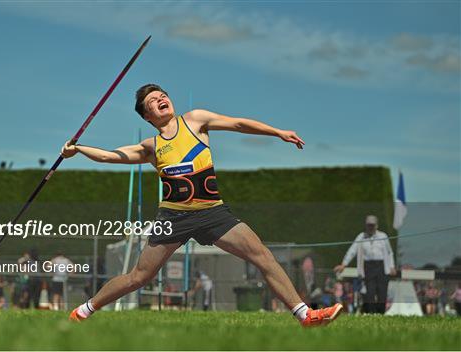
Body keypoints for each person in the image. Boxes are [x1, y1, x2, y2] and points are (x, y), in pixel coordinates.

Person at [65, 84, 342, 326]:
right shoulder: (151, 146)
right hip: (173, 217)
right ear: (147, 116)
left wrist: (277, 132)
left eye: (163, 95)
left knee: (262, 255)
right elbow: (109, 157)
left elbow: (237, 124)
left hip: (213, 213)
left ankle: (305, 315)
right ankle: (84, 310)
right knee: (138, 277)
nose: (161, 99)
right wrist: (77, 149)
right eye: (153, 101)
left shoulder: (195, 120)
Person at [334, 215, 396, 314]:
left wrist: (392, 266)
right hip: (368, 267)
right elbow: (352, 250)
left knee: (382, 292)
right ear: (366, 226)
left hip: (381, 267)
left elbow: (389, 252)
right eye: (369, 225)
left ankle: (381, 313)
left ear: (376, 226)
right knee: (369, 292)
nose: (370, 228)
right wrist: (344, 264)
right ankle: (371, 313)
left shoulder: (383, 236)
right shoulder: (361, 236)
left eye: (372, 225)